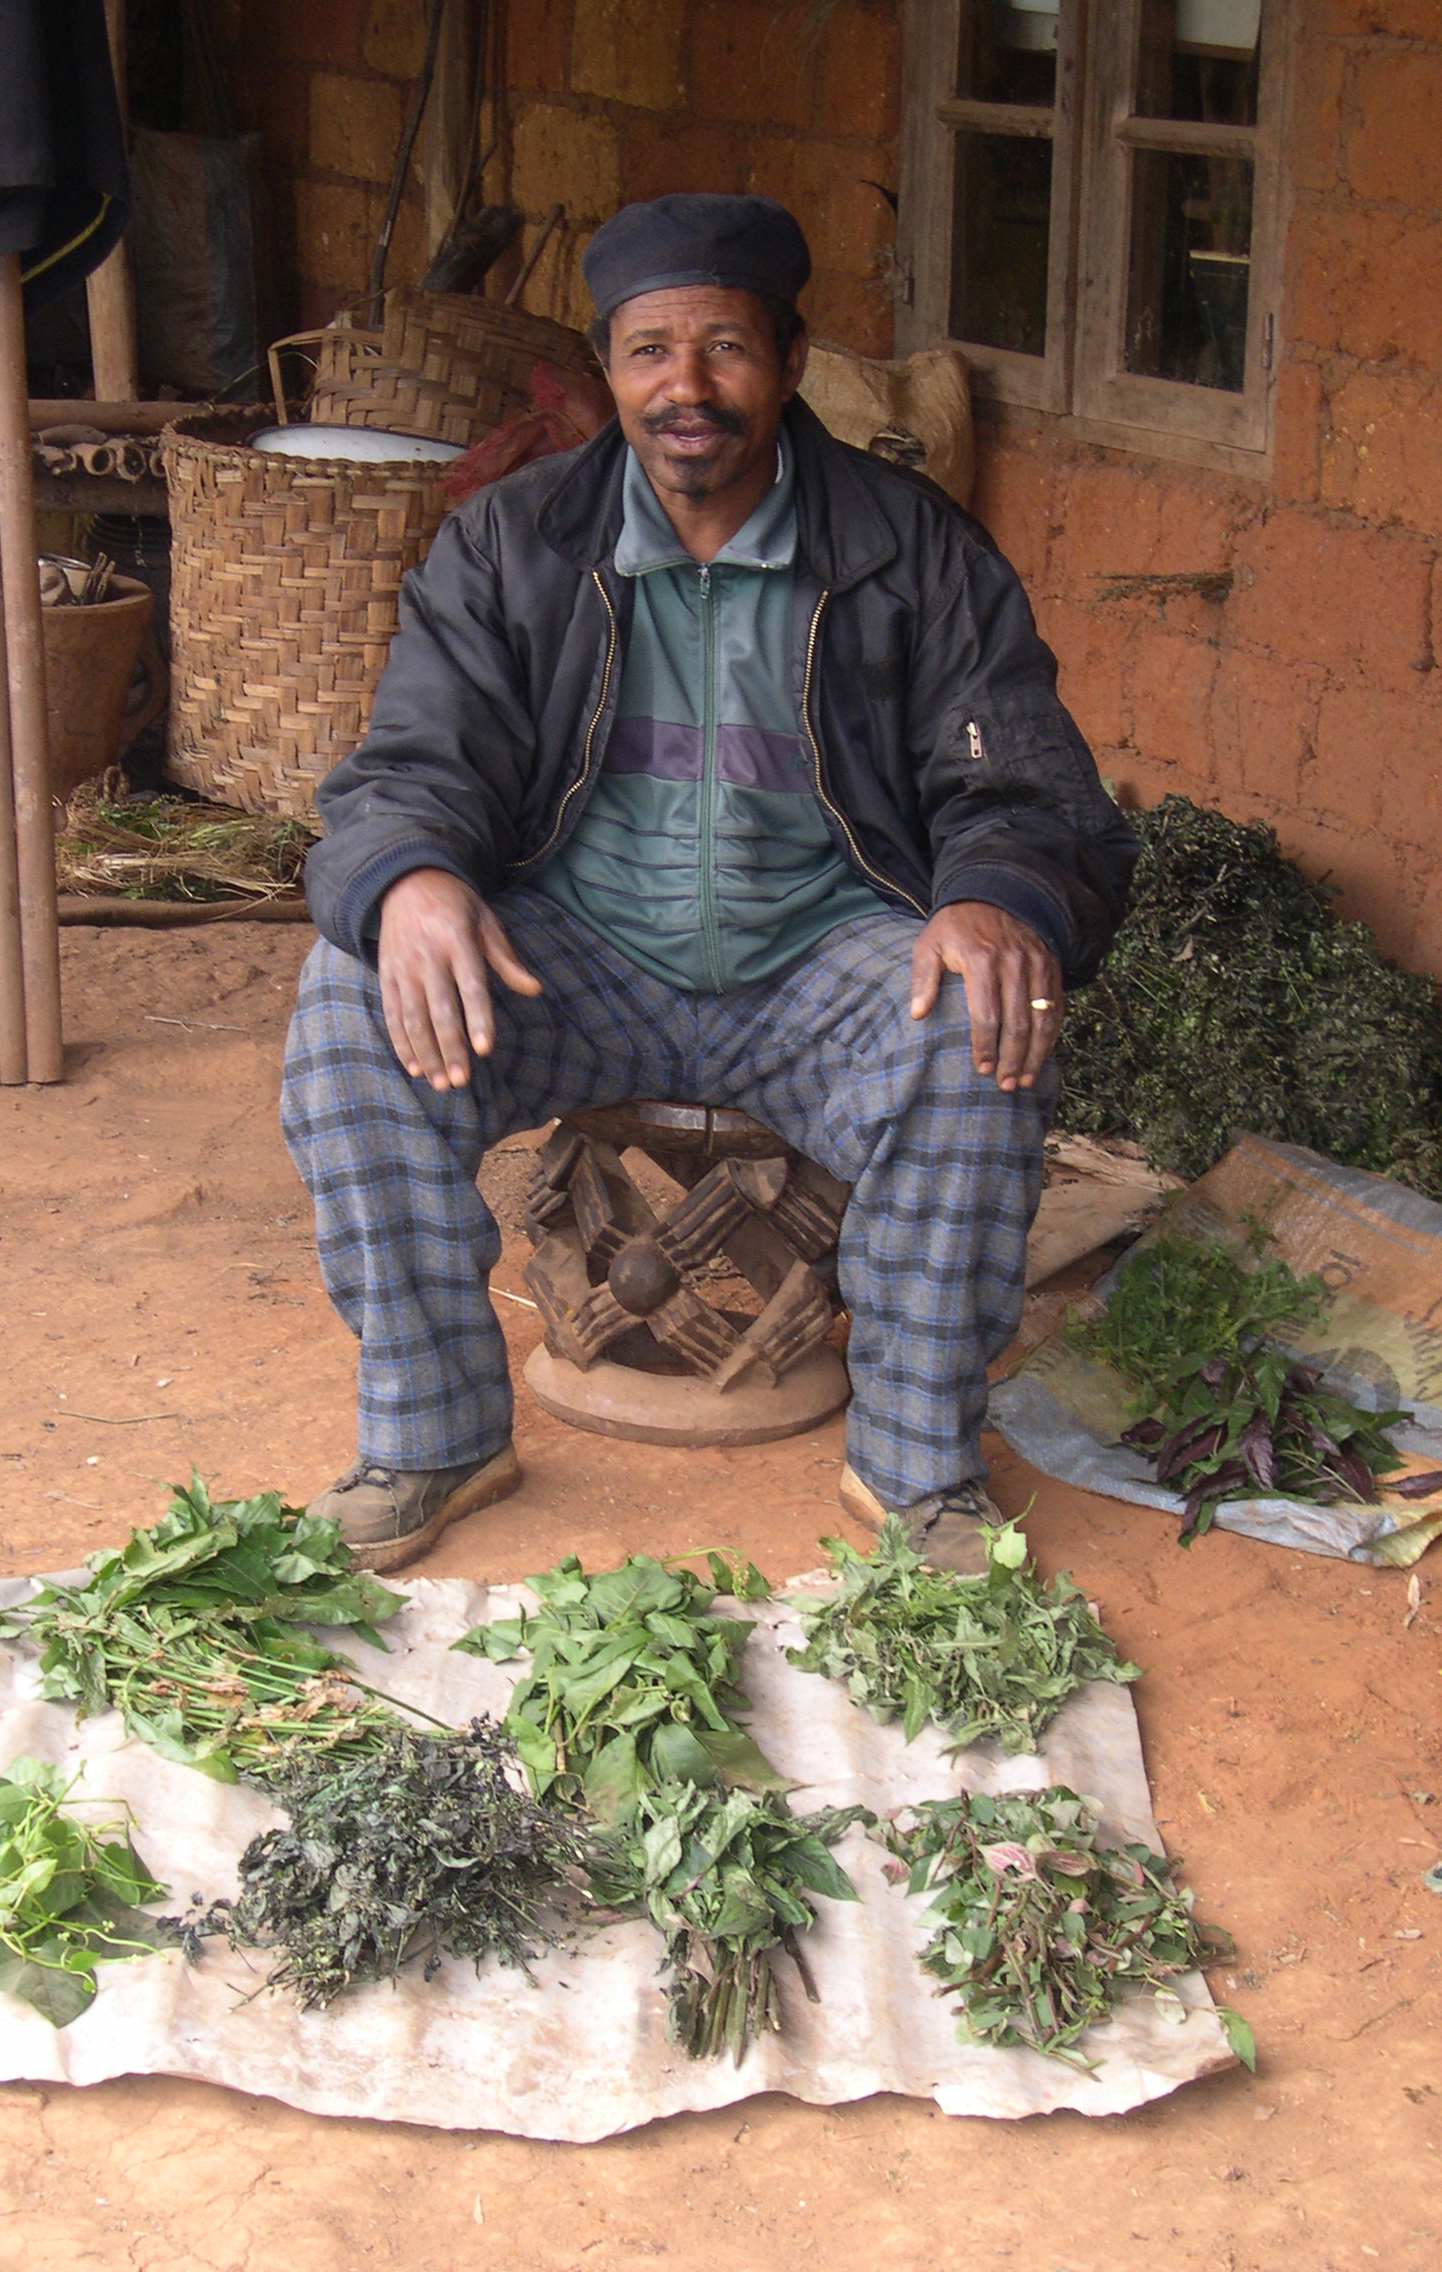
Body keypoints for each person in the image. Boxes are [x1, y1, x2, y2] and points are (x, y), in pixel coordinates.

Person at [282, 193, 1136, 1575]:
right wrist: (414, 879)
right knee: (350, 996)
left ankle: (918, 1472)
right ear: (608, 369)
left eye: (725, 348)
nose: (686, 389)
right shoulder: (513, 544)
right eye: (649, 352)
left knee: (976, 1022)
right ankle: (434, 1433)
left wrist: (995, 897)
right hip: (574, 953)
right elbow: (407, 767)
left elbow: (1031, 792)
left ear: (790, 361)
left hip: (823, 964)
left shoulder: (909, 550)